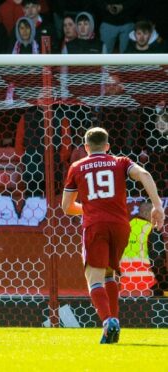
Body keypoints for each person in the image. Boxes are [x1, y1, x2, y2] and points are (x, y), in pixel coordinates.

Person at [62, 127, 165, 344]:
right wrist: (157, 207)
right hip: (120, 225)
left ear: (86, 147)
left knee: (94, 278)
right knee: (109, 275)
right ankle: (114, 321)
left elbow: (66, 207)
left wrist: (91, 207)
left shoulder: (77, 166)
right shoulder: (120, 162)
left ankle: (108, 321)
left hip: (95, 226)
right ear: (107, 146)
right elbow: (145, 174)